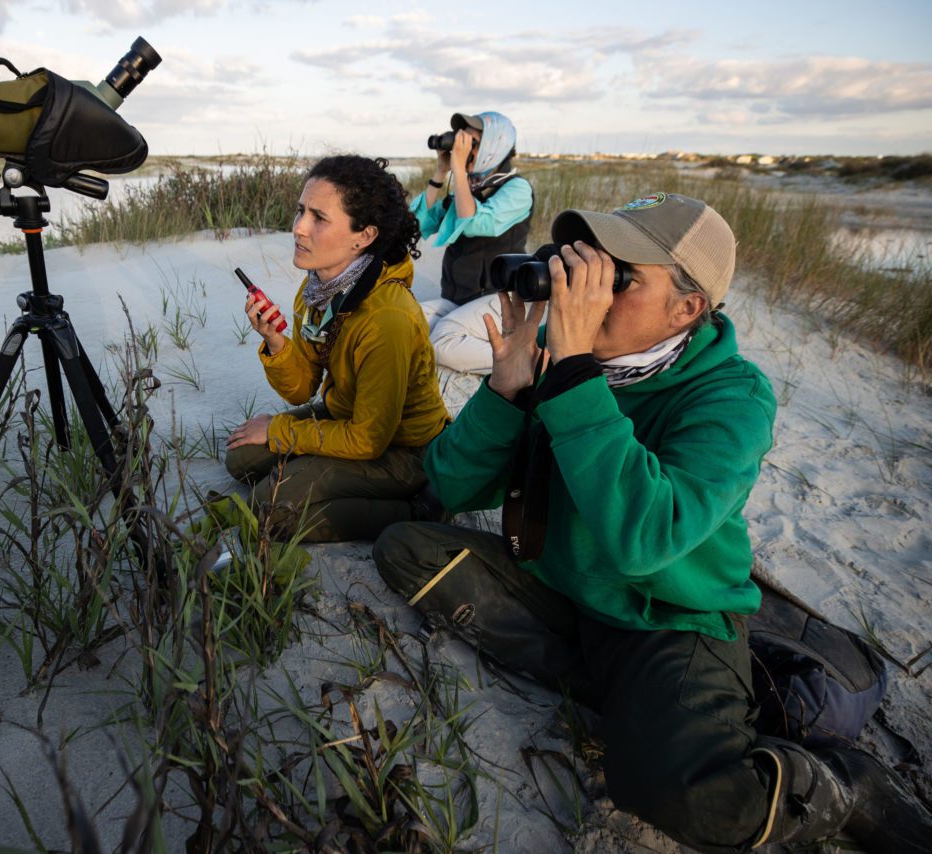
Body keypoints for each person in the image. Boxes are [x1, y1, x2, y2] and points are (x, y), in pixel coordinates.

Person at [373, 193, 931, 851]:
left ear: (687, 308)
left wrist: (572, 379)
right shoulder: (561, 355)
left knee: (687, 798)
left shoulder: (731, 396)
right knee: (406, 549)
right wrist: (507, 391)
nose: (586, 291)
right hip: (564, 589)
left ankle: (845, 785)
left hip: (663, 615)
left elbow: (648, 540)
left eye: (620, 278)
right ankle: (624, 692)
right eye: (584, 267)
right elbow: (453, 482)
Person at [224, 155, 450, 543]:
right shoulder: (317, 290)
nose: (298, 228)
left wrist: (280, 430)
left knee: (270, 508)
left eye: (318, 218)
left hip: (404, 451)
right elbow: (301, 388)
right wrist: (275, 342)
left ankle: (420, 508)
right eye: (300, 212)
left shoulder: (388, 319)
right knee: (241, 460)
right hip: (343, 415)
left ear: (363, 237)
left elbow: (368, 439)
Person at [412, 111, 533, 374]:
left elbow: (476, 221)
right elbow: (419, 224)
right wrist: (441, 172)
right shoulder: (468, 187)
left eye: (473, 144)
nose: (464, 150)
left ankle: (529, 361)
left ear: (495, 145)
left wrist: (458, 169)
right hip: (459, 299)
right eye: (461, 142)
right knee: (405, 320)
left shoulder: (517, 189)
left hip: (499, 298)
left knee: (443, 340)